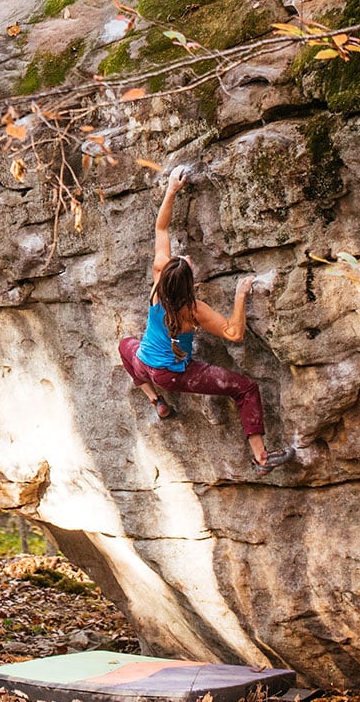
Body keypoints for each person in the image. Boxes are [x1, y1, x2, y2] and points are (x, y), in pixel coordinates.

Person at [119, 165, 294, 476]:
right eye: (186, 261)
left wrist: (172, 189)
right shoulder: (194, 310)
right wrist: (241, 294)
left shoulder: (158, 284)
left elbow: (161, 230)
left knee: (124, 345)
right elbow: (234, 332)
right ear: (189, 284)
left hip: (144, 362)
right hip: (173, 375)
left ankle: (155, 401)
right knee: (245, 388)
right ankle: (261, 457)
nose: (185, 256)